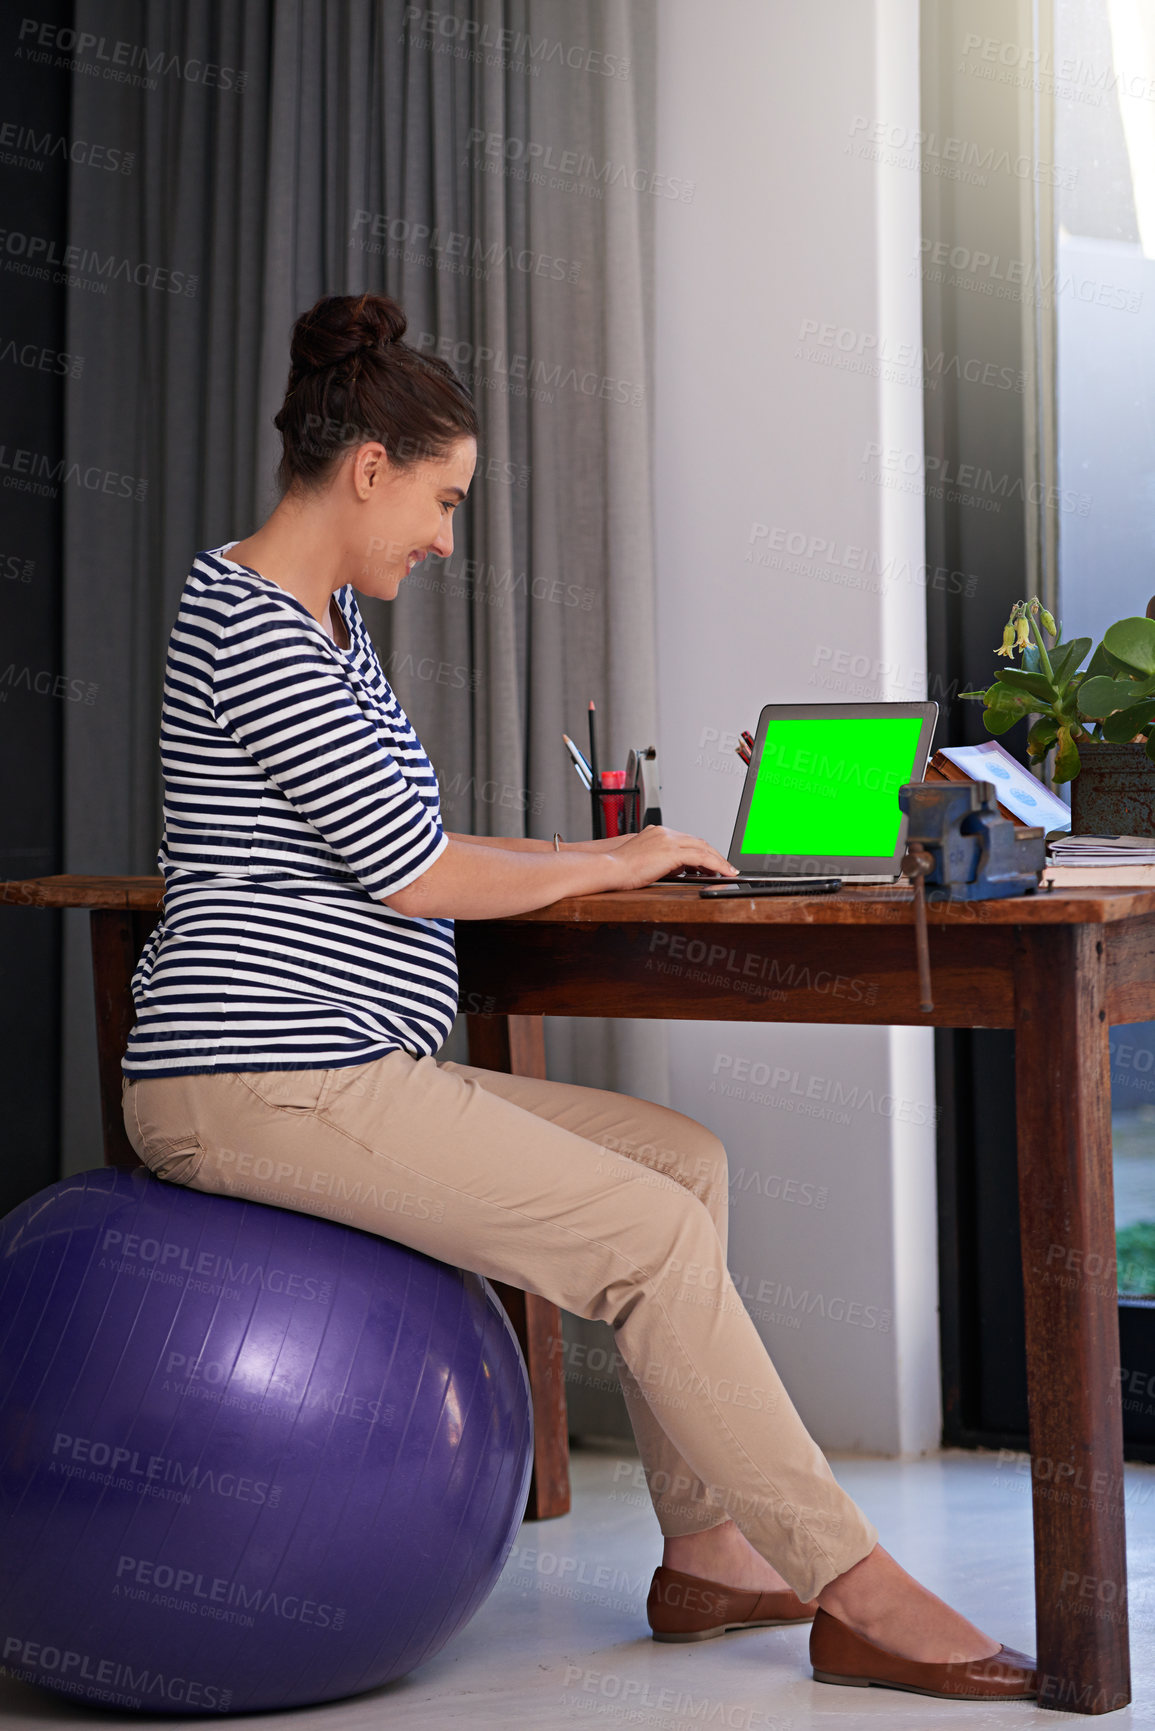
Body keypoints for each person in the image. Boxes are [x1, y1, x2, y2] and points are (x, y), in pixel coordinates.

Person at [120, 291, 1036, 1702]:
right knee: (652, 1239)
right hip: (254, 1083)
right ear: (368, 468)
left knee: (684, 1163)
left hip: (352, 1069)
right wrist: (608, 854)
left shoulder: (331, 634)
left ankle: (709, 1550)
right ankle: (852, 1587)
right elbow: (411, 867)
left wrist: (628, 854)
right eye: (440, 501)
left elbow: (397, 845)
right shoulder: (244, 620)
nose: (441, 538)